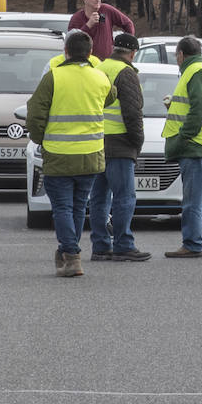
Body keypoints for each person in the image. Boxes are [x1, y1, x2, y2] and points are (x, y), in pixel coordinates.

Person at [26, 30, 113, 276]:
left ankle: (71, 255)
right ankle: (68, 252)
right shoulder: (100, 77)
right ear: (90, 53)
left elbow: (35, 113)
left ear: (65, 51)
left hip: (59, 153)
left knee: (63, 207)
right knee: (77, 206)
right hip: (91, 155)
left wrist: (39, 138)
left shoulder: (54, 77)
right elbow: (111, 96)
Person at [88, 33, 150, 262]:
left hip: (96, 142)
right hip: (120, 144)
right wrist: (137, 142)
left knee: (99, 198)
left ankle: (101, 246)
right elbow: (133, 113)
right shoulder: (126, 73)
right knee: (124, 196)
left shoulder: (99, 69)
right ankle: (124, 244)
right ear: (133, 53)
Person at [164, 35, 202, 259]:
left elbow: (200, 109)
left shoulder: (195, 71)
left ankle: (192, 243)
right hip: (200, 143)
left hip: (195, 144)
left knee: (192, 200)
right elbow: (195, 105)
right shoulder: (199, 69)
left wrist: (183, 137)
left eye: (176, 56)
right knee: (200, 199)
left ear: (181, 54)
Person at [68, 0, 136, 61]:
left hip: (107, 62)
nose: (98, 0)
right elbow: (72, 42)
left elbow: (128, 24)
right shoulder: (76, 18)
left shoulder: (106, 10)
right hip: (85, 63)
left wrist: (127, 46)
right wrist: (88, 25)